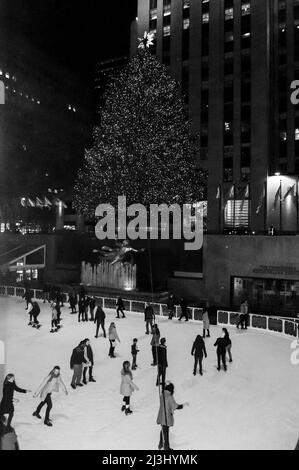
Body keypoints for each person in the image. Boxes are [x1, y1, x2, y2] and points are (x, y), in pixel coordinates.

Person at [156, 382, 189, 450]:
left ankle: (161, 444)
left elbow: (166, 404)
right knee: (166, 431)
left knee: (163, 429)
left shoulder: (162, 394)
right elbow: (175, 406)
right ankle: (166, 447)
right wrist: (184, 405)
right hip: (166, 416)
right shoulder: (169, 397)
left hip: (161, 414)